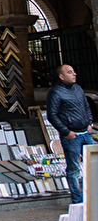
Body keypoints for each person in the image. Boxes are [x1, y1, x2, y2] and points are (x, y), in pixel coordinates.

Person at [46, 64, 94, 204]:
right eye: (69, 72)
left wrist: (90, 123)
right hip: (72, 136)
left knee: (93, 165)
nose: (74, 74)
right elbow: (52, 115)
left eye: (73, 71)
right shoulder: (56, 92)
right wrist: (66, 132)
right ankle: (77, 200)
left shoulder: (78, 89)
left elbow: (86, 106)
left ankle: (92, 198)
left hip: (86, 133)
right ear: (61, 76)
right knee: (73, 169)